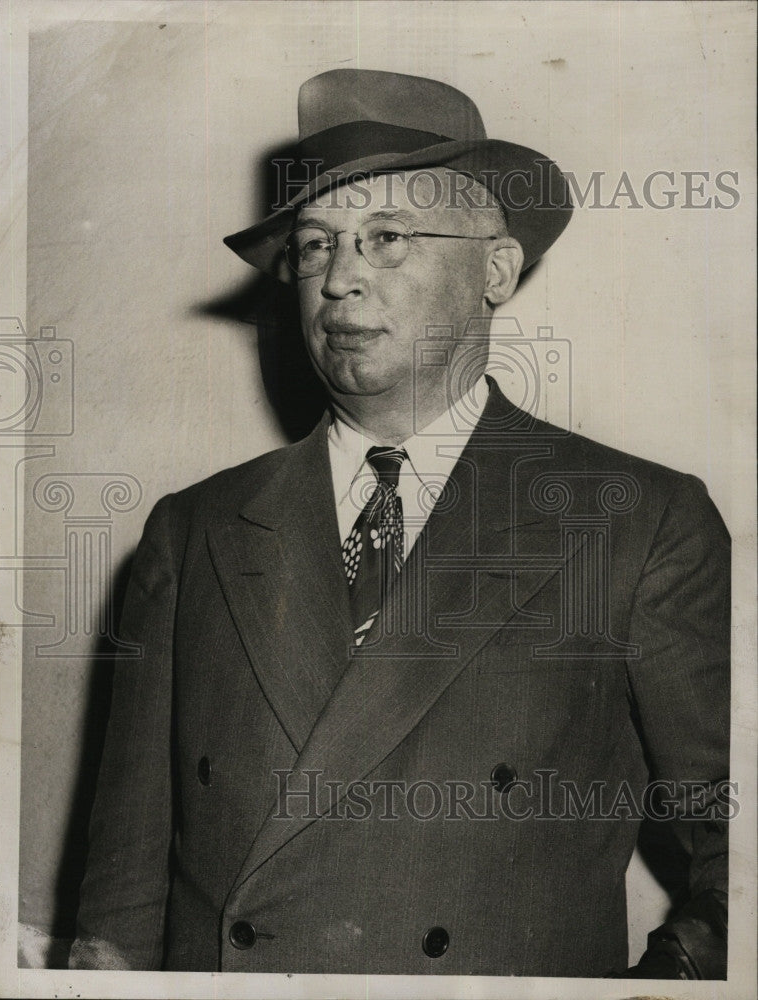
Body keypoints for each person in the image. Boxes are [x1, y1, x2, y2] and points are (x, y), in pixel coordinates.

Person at [69, 69, 729, 978]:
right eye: (314, 245)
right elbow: (120, 896)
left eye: (387, 239)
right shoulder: (195, 532)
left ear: (495, 268)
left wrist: (674, 981)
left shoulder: (638, 522)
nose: (338, 280)